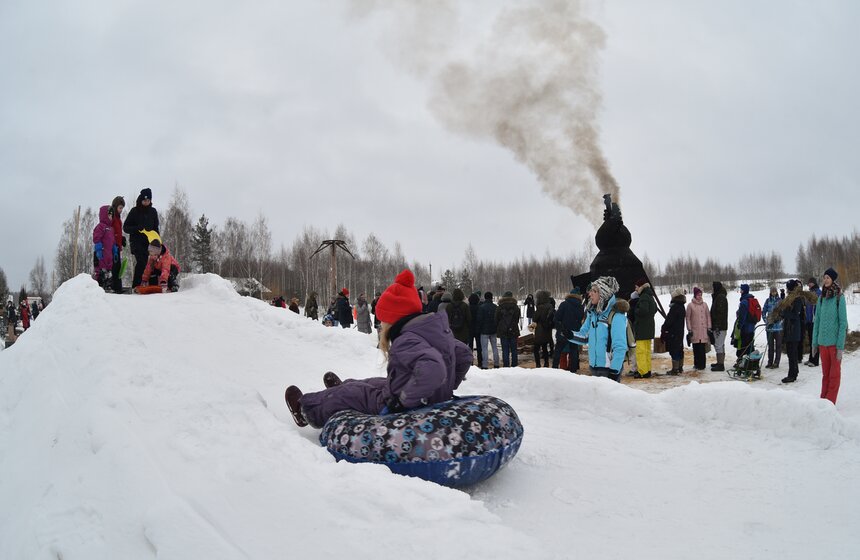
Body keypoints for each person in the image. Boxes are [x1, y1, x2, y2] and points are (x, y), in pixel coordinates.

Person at [284, 269, 472, 428]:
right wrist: (446, 388)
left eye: (383, 321)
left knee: (354, 394)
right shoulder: (431, 331)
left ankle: (307, 410)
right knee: (371, 382)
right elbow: (463, 354)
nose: (381, 326)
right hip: (423, 396)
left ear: (392, 319)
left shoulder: (406, 340)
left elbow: (433, 368)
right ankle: (343, 386)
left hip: (400, 406)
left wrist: (403, 400)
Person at [568, 276, 629, 382]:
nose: (590, 294)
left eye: (594, 291)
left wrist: (614, 372)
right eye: (591, 291)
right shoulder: (592, 313)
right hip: (594, 367)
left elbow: (620, 347)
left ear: (603, 294)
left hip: (609, 370)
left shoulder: (616, 315)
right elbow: (584, 335)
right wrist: (569, 334)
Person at [811, 268, 847, 404]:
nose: (825, 280)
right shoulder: (821, 299)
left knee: (834, 375)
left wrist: (840, 347)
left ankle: (830, 403)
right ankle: (823, 402)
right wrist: (815, 343)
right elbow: (817, 322)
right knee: (825, 375)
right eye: (824, 277)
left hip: (834, 345)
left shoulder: (839, 298)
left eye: (828, 277)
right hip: (822, 344)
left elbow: (843, 323)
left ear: (833, 280)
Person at [123, 188, 159, 288]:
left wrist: (157, 242)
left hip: (150, 242)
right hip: (136, 242)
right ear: (141, 200)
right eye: (144, 200)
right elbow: (126, 227)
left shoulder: (153, 211)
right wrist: (136, 228)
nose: (146, 202)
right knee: (142, 261)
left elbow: (156, 228)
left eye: (148, 200)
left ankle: (152, 284)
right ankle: (136, 285)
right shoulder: (134, 211)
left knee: (152, 262)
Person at [778, 279, 807, 383]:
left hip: (794, 330)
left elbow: (795, 314)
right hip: (789, 329)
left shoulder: (797, 299)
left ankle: (792, 375)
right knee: (791, 353)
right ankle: (795, 371)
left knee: (792, 353)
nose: (787, 290)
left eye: (788, 287)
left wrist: (784, 314)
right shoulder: (790, 298)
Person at [552, 288, 584, 372]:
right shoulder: (580, 306)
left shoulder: (564, 304)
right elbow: (580, 318)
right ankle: (573, 372)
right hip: (574, 334)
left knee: (558, 352)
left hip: (563, 332)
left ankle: (554, 370)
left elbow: (556, 318)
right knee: (573, 353)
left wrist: (561, 328)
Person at [632, 278, 657, 378]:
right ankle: (647, 370)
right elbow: (654, 309)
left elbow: (643, 310)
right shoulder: (650, 296)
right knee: (646, 351)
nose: (635, 289)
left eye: (636, 287)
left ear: (641, 287)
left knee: (641, 351)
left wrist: (635, 310)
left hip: (642, 328)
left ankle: (642, 372)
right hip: (649, 328)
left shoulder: (643, 297)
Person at [661, 287, 687, 375]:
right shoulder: (682, 306)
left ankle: (675, 369)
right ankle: (680, 367)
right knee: (679, 348)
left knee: (674, 350)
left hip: (673, 332)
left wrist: (664, 328)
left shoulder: (675, 307)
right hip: (679, 331)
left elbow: (669, 320)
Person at [686, 287, 712, 370]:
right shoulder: (690, 305)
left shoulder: (705, 305)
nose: (699, 296)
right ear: (695, 295)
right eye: (698, 295)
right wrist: (689, 329)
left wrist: (709, 327)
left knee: (702, 348)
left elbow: (708, 316)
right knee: (696, 348)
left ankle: (702, 365)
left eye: (700, 295)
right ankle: (696, 364)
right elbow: (688, 318)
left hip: (703, 330)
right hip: (695, 330)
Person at [91, 205, 116, 290]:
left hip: (109, 255)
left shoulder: (111, 229)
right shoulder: (101, 226)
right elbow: (96, 237)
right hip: (101, 254)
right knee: (100, 271)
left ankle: (108, 286)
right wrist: (98, 247)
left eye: (112, 215)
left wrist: (115, 249)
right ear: (104, 215)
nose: (110, 217)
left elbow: (112, 241)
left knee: (108, 272)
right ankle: (99, 287)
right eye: (109, 215)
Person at [495, 291, 521, 367]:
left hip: (503, 331)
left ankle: (506, 366)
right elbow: (517, 319)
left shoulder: (499, 307)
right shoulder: (516, 307)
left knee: (505, 350)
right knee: (514, 350)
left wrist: (500, 326)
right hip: (514, 330)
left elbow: (496, 319)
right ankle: (514, 365)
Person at [761, 287, 784, 369]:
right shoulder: (768, 301)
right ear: (770, 292)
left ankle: (776, 362)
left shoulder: (780, 301)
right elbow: (763, 311)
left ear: (776, 292)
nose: (773, 293)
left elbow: (783, 313)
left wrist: (780, 320)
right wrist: (766, 321)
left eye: (774, 291)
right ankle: (770, 362)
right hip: (770, 327)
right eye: (772, 291)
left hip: (778, 328)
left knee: (778, 345)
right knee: (770, 346)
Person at [107, 196, 126, 293]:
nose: (121, 210)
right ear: (115, 206)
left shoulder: (118, 219)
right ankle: (116, 287)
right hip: (112, 247)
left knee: (118, 266)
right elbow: (110, 231)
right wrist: (113, 243)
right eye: (120, 208)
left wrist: (122, 239)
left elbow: (118, 232)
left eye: (122, 208)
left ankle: (115, 285)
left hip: (117, 247)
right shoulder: (112, 217)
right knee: (116, 267)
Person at [477, 292, 500, 369]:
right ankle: (496, 363)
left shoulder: (481, 307)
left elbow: (479, 320)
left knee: (484, 348)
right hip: (493, 330)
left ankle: (485, 365)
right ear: (492, 297)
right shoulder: (495, 307)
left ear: (485, 297)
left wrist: (480, 329)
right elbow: (497, 319)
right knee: (494, 347)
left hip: (484, 330)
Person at [532, 290, 554, 368]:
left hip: (540, 331)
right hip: (547, 330)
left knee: (536, 349)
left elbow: (535, 318)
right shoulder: (550, 306)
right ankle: (546, 363)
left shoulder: (540, 307)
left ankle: (538, 364)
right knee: (544, 347)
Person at [735, 284, 758, 361]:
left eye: (741, 290)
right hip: (751, 327)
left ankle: (744, 363)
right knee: (750, 345)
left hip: (745, 328)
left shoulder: (744, 302)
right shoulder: (751, 299)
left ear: (743, 291)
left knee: (745, 346)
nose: (740, 291)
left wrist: (739, 326)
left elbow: (743, 316)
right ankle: (752, 362)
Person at [709, 282, 729, 372]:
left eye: (713, 288)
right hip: (719, 326)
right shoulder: (718, 297)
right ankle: (719, 362)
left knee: (719, 345)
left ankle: (721, 365)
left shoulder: (720, 298)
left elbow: (720, 313)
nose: (712, 289)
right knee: (720, 344)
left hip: (719, 327)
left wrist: (716, 326)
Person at [805, 277, 822, 367]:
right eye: (809, 283)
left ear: (814, 283)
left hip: (815, 320)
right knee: (811, 340)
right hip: (809, 320)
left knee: (815, 340)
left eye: (811, 283)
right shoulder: (809, 293)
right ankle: (811, 358)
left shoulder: (818, 292)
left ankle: (815, 361)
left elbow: (819, 305)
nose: (809, 284)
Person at [468, 292, 483, 366]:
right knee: (479, 346)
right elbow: (481, 319)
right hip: (478, 329)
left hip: (470, 329)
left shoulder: (467, 308)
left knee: (470, 346)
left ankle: (470, 362)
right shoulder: (480, 307)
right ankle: (480, 361)